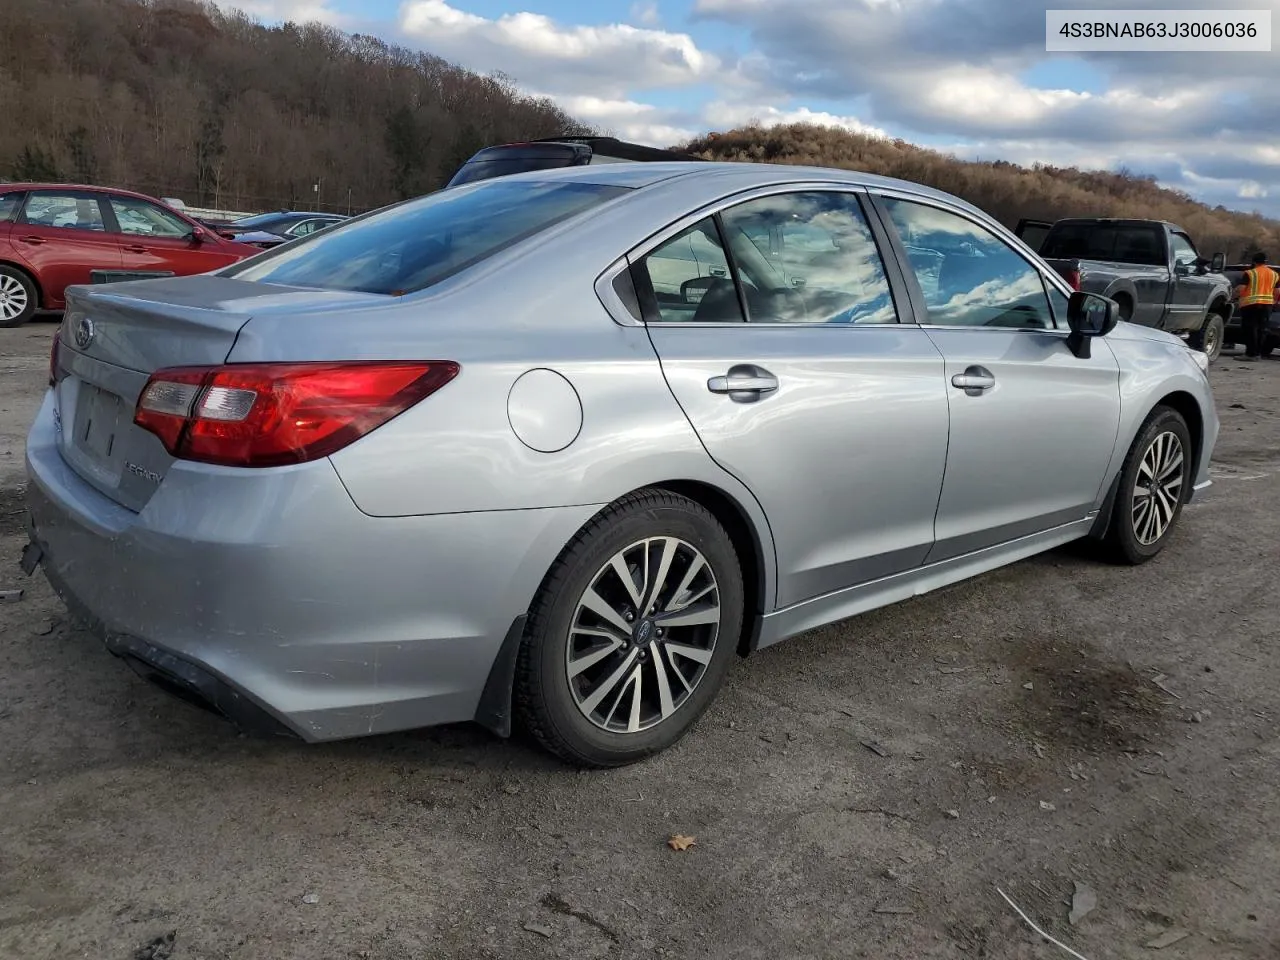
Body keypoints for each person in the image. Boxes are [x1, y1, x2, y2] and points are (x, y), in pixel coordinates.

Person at [1236, 252, 1279, 361]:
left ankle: (1250, 354)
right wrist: (1273, 301)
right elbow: (1277, 291)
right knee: (1262, 329)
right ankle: (1258, 353)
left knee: (1250, 329)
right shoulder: (1274, 274)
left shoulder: (1250, 273)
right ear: (1266, 262)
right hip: (1267, 305)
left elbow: (1241, 289)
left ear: (1254, 262)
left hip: (1251, 305)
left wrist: (1233, 296)